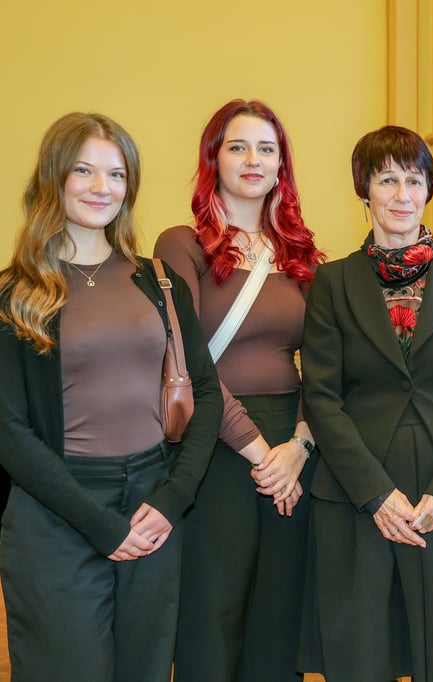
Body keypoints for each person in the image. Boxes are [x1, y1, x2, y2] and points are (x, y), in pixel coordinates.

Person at [0, 112, 221, 681]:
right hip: (58, 511)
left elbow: (205, 393)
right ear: (53, 178)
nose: (103, 187)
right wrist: (101, 525)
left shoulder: (159, 281)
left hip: (152, 504)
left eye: (117, 174)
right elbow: (9, 433)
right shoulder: (15, 295)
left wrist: (172, 500)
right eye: (84, 171)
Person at [298, 125, 433, 681]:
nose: (401, 195)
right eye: (386, 180)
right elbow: (321, 397)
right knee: (366, 654)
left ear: (428, 190)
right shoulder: (332, 282)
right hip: (361, 491)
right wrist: (375, 495)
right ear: (364, 190)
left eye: (413, 180)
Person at [153, 99, 324, 681]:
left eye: (266, 149)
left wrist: (298, 447)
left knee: (280, 612)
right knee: (212, 610)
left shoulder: (303, 257)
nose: (254, 159)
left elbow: (325, 367)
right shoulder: (181, 244)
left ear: (281, 166)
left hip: (294, 448)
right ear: (214, 159)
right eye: (238, 146)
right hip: (215, 444)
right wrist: (260, 453)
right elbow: (187, 358)